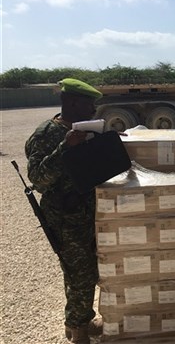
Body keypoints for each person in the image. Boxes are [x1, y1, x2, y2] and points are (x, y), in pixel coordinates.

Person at [25, 78, 103, 344]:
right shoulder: (47, 134)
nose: (93, 109)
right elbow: (38, 178)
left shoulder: (85, 129)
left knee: (92, 270)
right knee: (79, 273)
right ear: (71, 102)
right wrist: (64, 148)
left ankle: (82, 318)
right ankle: (77, 329)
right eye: (88, 103)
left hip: (88, 213)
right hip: (65, 217)